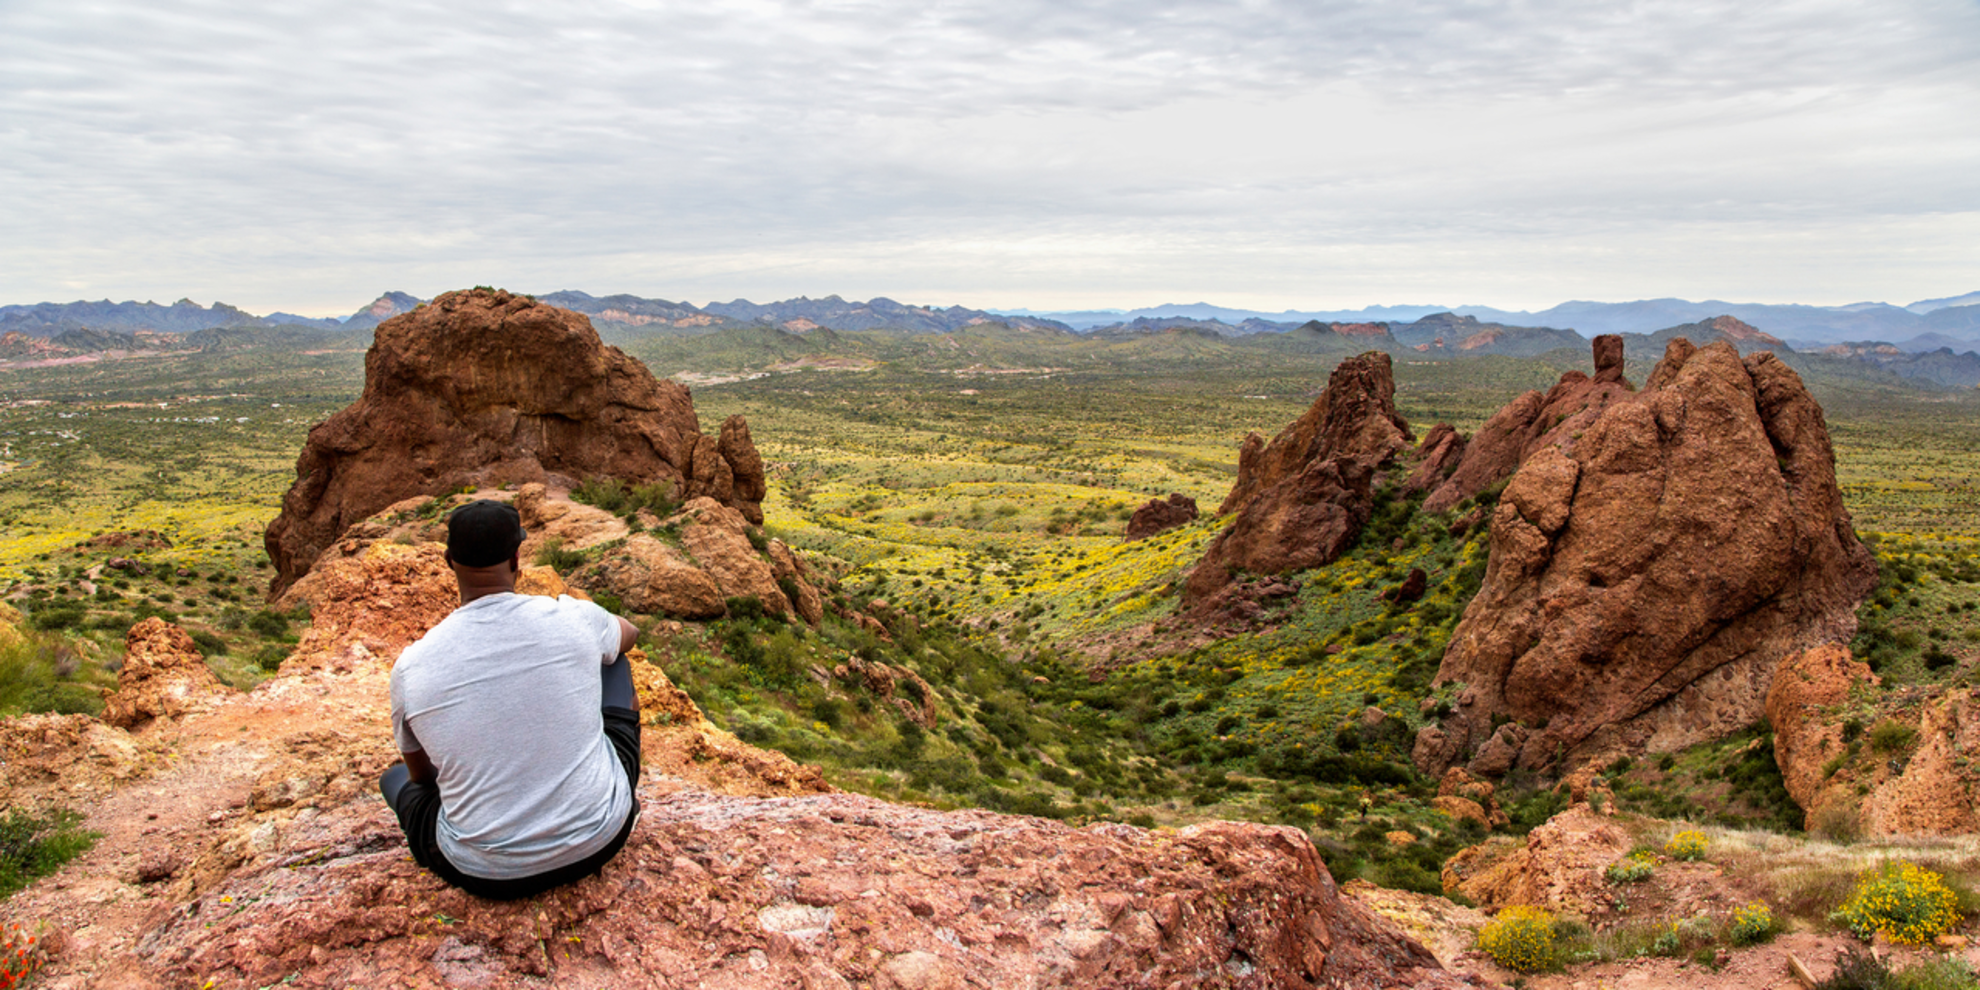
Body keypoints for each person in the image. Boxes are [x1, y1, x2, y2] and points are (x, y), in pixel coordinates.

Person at [379, 499, 642, 899]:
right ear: (517, 558)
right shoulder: (572, 617)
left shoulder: (412, 666)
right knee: (615, 661)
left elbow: (424, 778)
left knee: (394, 780)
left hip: (483, 874)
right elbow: (629, 632)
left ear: (449, 561)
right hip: (603, 836)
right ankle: (601, 793)